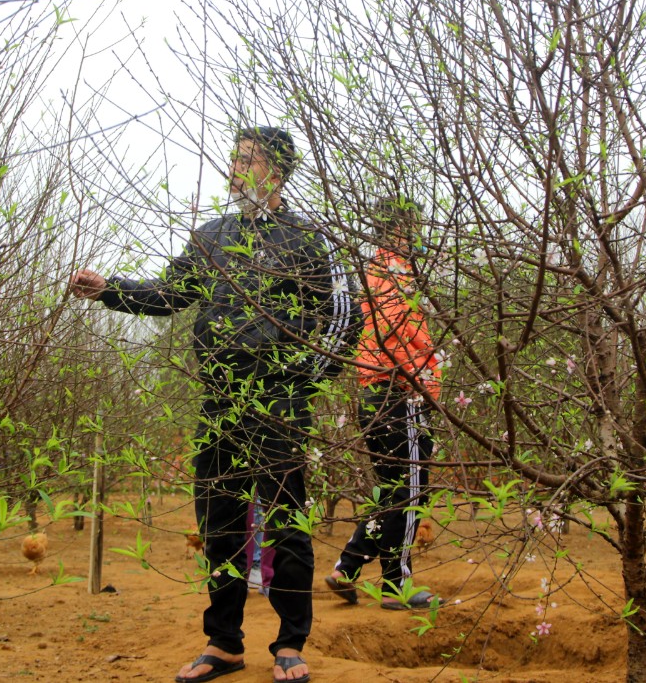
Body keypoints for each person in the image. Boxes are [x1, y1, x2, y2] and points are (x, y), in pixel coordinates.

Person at [69, 126, 355, 683]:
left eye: (245, 160)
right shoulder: (213, 237)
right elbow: (170, 296)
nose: (233, 170)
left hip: (277, 402)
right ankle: (223, 643)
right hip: (219, 403)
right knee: (219, 523)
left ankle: (290, 644)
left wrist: (300, 383)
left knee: (284, 523)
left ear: (275, 170)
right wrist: (108, 288)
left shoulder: (307, 239)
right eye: (233, 159)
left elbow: (343, 319)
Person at [325, 197, 443, 611]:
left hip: (377, 392)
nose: (419, 237)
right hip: (400, 392)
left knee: (393, 493)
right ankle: (398, 586)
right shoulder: (394, 270)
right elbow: (397, 327)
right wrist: (429, 366)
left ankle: (348, 567)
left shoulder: (374, 269)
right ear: (400, 229)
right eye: (414, 228)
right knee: (410, 493)